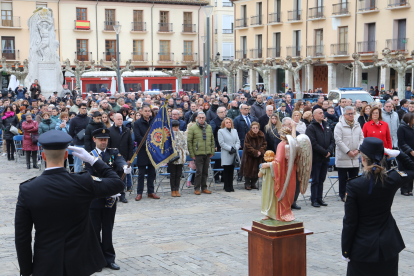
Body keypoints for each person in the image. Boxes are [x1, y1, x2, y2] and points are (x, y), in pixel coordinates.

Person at [14, 130, 125, 276]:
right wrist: (93, 160)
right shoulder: (83, 182)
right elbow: (117, 183)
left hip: (46, 262)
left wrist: (26, 270)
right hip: (79, 263)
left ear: (43, 156)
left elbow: (22, 237)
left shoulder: (28, 189)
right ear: (66, 155)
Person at [342, 138, 414, 276]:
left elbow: (350, 222)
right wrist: (398, 154)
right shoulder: (391, 179)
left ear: (363, 158)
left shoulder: (354, 185)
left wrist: (345, 250)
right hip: (388, 246)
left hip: (362, 247)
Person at [84, 128, 131, 272]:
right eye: (101, 139)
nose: (104, 142)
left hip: (111, 198)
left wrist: (124, 166)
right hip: (95, 198)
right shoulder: (89, 155)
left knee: (108, 229)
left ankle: (109, 259)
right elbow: (89, 176)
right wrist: (107, 187)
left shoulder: (113, 152)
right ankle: (96, 260)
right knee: (95, 229)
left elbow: (119, 160)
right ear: (94, 140)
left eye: (105, 139)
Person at [306, 108, 335, 207]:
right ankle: (314, 199)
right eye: (320, 113)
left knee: (322, 179)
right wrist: (324, 152)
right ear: (314, 116)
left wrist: (329, 151)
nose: (322, 114)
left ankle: (319, 198)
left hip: (325, 158)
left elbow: (332, 140)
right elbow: (313, 143)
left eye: (323, 113)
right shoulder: (311, 127)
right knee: (315, 180)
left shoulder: (326, 125)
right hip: (316, 158)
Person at [334, 106, 364, 202]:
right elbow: (338, 140)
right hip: (343, 156)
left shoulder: (357, 124)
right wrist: (348, 151)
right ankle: (343, 195)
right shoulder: (339, 125)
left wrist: (358, 150)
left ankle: (353, 194)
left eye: (352, 113)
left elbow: (361, 138)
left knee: (354, 178)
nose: (351, 115)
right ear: (344, 115)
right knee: (343, 178)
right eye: (349, 114)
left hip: (355, 156)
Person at [133, 104, 160, 201]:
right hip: (143, 150)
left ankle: (150, 192)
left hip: (153, 151)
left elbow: (157, 133)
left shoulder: (154, 121)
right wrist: (148, 144)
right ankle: (139, 193)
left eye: (149, 111)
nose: (147, 113)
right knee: (141, 173)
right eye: (145, 111)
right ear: (141, 111)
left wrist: (153, 144)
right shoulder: (137, 123)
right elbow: (137, 136)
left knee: (152, 173)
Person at [108, 113, 134, 203]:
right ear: (114, 120)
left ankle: (122, 195)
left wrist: (129, 158)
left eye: (121, 119)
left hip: (124, 157)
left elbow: (130, 145)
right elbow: (108, 146)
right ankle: (113, 195)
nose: (120, 121)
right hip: (112, 158)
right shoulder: (110, 130)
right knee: (113, 176)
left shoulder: (126, 130)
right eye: (118, 119)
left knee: (123, 177)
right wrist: (110, 159)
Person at [187, 112, 214, 195]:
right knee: (199, 172)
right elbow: (189, 142)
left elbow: (212, 140)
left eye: (203, 117)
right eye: (200, 117)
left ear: (205, 118)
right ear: (197, 118)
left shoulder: (209, 127)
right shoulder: (193, 128)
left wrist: (212, 151)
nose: (201, 119)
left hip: (207, 153)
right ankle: (196, 188)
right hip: (198, 153)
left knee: (205, 172)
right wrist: (192, 154)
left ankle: (204, 187)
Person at [240, 122, 267, 190]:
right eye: (254, 128)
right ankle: (247, 184)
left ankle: (253, 183)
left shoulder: (261, 134)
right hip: (249, 156)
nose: (255, 129)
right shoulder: (248, 135)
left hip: (259, 156)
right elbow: (247, 145)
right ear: (251, 128)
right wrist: (255, 152)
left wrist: (260, 151)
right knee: (248, 170)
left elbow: (264, 144)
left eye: (256, 128)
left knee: (257, 170)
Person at [218, 117, 240, 192]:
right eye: (226, 122)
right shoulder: (221, 131)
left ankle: (231, 185)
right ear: (224, 124)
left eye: (229, 122)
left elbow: (237, 141)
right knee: (226, 170)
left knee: (232, 170)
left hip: (234, 152)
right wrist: (230, 148)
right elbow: (221, 143)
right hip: (226, 152)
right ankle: (227, 186)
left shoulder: (234, 131)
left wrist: (235, 148)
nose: (228, 124)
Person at [168, 120, 188, 197]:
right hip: (172, 156)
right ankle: (173, 190)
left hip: (180, 155)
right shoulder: (169, 134)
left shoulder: (182, 134)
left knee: (178, 174)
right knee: (173, 174)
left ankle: (177, 189)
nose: (176, 128)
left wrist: (185, 152)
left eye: (177, 127)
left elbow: (185, 144)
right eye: (174, 127)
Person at [68, 103, 90, 172]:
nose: (84, 110)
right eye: (82, 108)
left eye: (85, 108)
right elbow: (71, 132)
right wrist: (77, 135)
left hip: (87, 143)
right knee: (77, 162)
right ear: (79, 109)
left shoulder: (89, 119)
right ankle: (77, 177)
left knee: (88, 161)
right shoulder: (74, 120)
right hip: (78, 143)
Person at [397, 112, 414, 196]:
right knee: (404, 171)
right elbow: (401, 142)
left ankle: (410, 189)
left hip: (413, 153)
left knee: (411, 171)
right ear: (409, 119)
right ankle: (404, 189)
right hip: (405, 153)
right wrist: (410, 150)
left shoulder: (412, 127)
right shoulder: (401, 128)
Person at [210, 106, 227, 183]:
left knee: (225, 161)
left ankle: (224, 177)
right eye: (222, 112)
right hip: (218, 144)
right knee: (217, 161)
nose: (224, 113)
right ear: (217, 113)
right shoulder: (214, 121)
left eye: (225, 111)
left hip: (226, 144)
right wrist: (214, 145)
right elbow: (212, 134)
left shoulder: (228, 121)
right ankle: (216, 177)